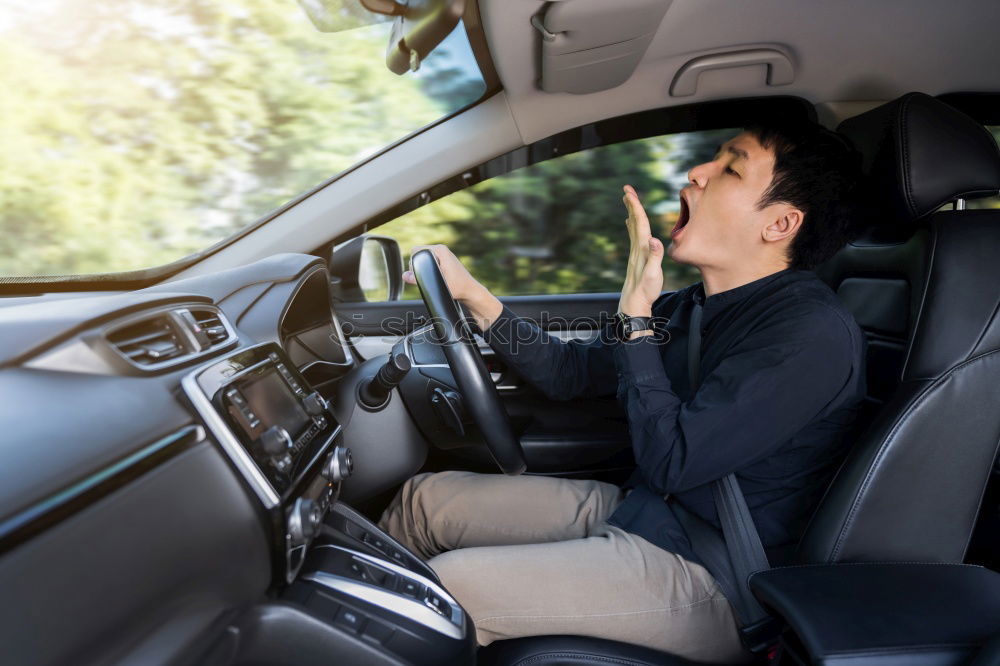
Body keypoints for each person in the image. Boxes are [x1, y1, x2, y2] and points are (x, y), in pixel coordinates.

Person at [377, 121, 867, 663]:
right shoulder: (690, 307)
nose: (697, 173)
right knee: (422, 502)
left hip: (714, 574)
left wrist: (634, 317)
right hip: (649, 513)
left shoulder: (807, 334)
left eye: (730, 168)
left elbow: (673, 459)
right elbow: (568, 371)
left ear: (780, 223)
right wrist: (473, 296)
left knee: (440, 592)